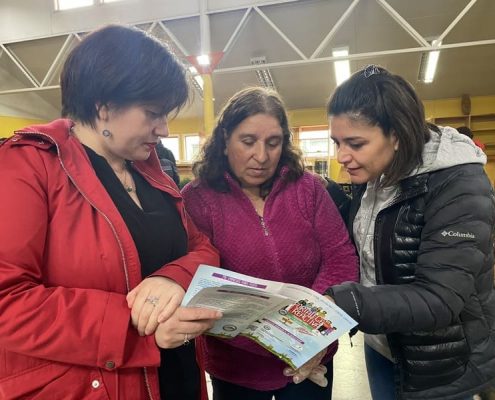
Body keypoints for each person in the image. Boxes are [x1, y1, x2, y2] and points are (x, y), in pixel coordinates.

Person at [0, 25, 222, 400]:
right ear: (103, 106)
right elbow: (7, 300)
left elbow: (202, 249)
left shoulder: (150, 171)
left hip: (176, 376)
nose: (164, 130)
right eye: (153, 114)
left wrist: (172, 278)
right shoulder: (29, 165)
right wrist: (138, 328)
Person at [322, 65, 495, 400]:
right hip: (383, 344)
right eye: (337, 142)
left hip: (440, 362)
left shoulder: (459, 185)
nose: (341, 156)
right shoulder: (376, 172)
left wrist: (345, 301)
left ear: (397, 135)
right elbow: (373, 238)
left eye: (355, 143)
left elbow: (440, 299)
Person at [181, 87, 358, 400]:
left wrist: (310, 339)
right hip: (237, 367)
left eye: (273, 143)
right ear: (224, 140)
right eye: (248, 141)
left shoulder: (309, 189)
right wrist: (283, 344)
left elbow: (340, 257)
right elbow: (201, 286)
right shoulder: (198, 199)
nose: (261, 156)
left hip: (312, 358)